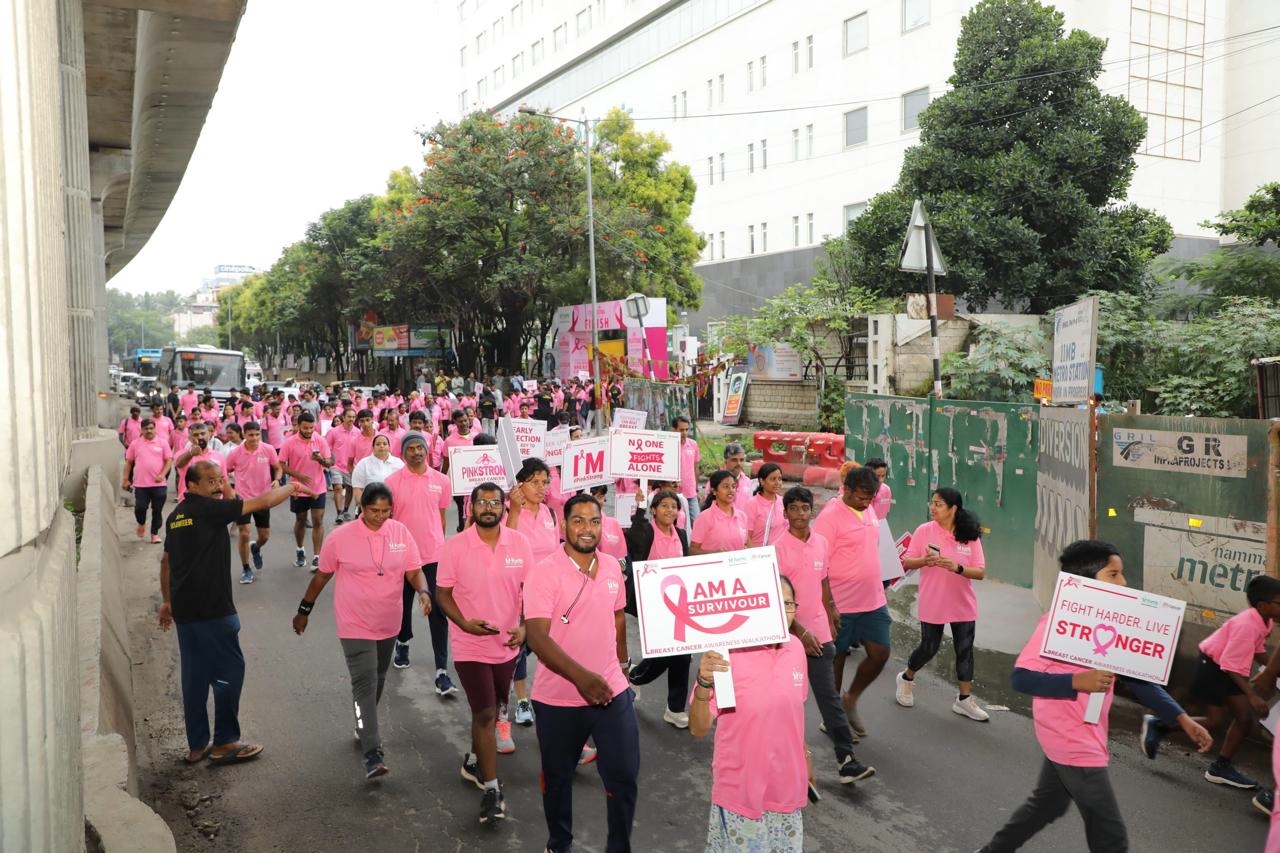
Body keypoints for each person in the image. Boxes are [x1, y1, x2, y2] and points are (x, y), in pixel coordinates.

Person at [977, 540, 1213, 852]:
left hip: (1079, 733)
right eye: (1113, 575)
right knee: (1111, 837)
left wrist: (1182, 719)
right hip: (1070, 737)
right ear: (1085, 582)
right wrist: (1077, 680)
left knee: (1047, 806)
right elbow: (1021, 677)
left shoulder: (1113, 625)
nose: (1124, 582)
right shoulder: (1058, 623)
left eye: (1122, 574)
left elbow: (1138, 680)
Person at [158, 461, 296, 766]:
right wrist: (293, 486)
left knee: (194, 678)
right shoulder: (210, 510)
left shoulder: (176, 516)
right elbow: (262, 502)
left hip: (185, 610)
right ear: (191, 485)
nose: (217, 485)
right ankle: (225, 742)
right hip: (214, 609)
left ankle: (196, 746)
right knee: (228, 674)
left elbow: (166, 561)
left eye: (220, 479)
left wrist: (167, 602)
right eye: (210, 481)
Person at [524, 494, 639, 853]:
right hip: (557, 697)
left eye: (593, 522)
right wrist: (582, 678)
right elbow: (538, 638)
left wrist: (622, 668)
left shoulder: (610, 567)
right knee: (557, 779)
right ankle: (559, 844)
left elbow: (618, 617)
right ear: (563, 526)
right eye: (578, 521)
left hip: (611, 689)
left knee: (623, 775)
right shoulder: (543, 572)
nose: (586, 529)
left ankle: (618, 847)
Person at [292, 483, 429, 781]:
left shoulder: (400, 533)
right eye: (373, 511)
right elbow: (322, 577)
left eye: (385, 511)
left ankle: (363, 723)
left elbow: (413, 570)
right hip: (354, 622)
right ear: (362, 508)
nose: (380, 516)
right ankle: (372, 753)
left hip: (389, 620)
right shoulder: (341, 537)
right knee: (364, 683)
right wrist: (304, 610)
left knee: (378, 677)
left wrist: (423, 591)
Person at [436, 482, 534, 823]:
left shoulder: (520, 543)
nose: (488, 507)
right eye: (482, 502)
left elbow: (531, 592)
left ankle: (474, 761)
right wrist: (463, 623)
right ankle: (492, 788)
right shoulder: (455, 546)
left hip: (507, 646)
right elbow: (443, 594)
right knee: (486, 713)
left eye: (495, 502)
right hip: (469, 644)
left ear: (504, 507)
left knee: (491, 707)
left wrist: (524, 629)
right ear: (471, 508)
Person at [690, 576, 811, 852]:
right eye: (772, 603)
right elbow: (698, 729)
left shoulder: (796, 649)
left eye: (788, 603)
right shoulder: (726, 652)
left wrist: (805, 759)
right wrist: (705, 682)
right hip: (741, 795)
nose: (781, 611)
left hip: (787, 792)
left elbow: (792, 714)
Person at [775, 486, 873, 787]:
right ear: (786, 513)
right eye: (794, 509)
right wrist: (799, 632)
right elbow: (775, 599)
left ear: (811, 511)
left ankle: (846, 760)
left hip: (819, 632)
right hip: (787, 636)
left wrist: (831, 609)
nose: (801, 514)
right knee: (787, 700)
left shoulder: (820, 543)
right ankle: (784, 763)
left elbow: (824, 578)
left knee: (828, 696)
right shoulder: (777, 548)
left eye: (805, 508)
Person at [896, 487, 990, 721]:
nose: (932, 507)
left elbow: (979, 572)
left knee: (965, 650)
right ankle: (906, 677)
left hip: (962, 602)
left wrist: (956, 567)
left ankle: (964, 700)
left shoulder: (969, 534)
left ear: (953, 508)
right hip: (933, 599)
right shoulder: (924, 530)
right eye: (932, 503)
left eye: (938, 504)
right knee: (929, 647)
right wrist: (924, 560)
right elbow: (906, 561)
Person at [811, 465, 886, 738]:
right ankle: (834, 719)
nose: (866, 503)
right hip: (840, 602)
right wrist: (827, 605)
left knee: (880, 654)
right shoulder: (829, 517)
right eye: (861, 497)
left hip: (873, 600)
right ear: (846, 489)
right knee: (837, 659)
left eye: (870, 498)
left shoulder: (869, 510)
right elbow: (818, 563)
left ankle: (850, 699)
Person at [1190, 574, 1280, 790]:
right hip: (1214, 666)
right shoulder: (1247, 625)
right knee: (1214, 721)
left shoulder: (1264, 621)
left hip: (1227, 668)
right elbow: (1229, 665)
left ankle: (1220, 767)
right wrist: (1252, 695)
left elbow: (1258, 651)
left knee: (1244, 718)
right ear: (1263, 605)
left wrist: (1274, 670)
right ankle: (1161, 724)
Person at [384, 432, 457, 696]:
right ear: (403, 453)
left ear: (427, 450)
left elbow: (441, 518)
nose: (416, 452)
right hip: (402, 557)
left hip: (433, 556)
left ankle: (441, 672)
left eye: (420, 447)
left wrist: (439, 547)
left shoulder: (441, 481)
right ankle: (402, 641)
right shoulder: (391, 482)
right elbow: (388, 522)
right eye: (411, 448)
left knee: (439, 611)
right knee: (401, 608)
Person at [624, 487, 693, 728]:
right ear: (654, 510)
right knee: (667, 653)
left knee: (683, 656)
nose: (669, 510)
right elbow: (634, 536)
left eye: (673, 506)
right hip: (651, 601)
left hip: (678, 604)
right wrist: (640, 509)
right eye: (663, 505)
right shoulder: (646, 532)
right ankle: (634, 676)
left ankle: (675, 708)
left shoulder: (682, 535)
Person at [506, 457, 560, 730]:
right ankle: (521, 700)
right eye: (534, 482)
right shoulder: (509, 513)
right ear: (520, 484)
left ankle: (554, 699)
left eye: (545, 482)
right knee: (519, 648)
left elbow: (557, 552)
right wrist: (514, 511)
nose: (541, 488)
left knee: (549, 647)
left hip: (549, 595)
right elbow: (506, 548)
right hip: (518, 595)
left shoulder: (551, 514)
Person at [224, 423, 281, 584]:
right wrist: (231, 490)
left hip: (263, 498)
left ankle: (256, 548)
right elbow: (223, 472)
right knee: (245, 533)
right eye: (251, 435)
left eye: (257, 434)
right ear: (244, 434)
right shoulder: (235, 453)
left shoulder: (268, 449)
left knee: (264, 536)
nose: (255, 438)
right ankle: (246, 569)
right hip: (243, 499)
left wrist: (276, 480)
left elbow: (278, 467)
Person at [278, 411, 333, 572]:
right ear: (298, 426)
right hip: (298, 489)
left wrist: (321, 460)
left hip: (318, 487)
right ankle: (300, 549)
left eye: (311, 427)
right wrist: (297, 475)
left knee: (318, 521)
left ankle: (317, 557)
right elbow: (281, 464)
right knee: (301, 520)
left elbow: (329, 462)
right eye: (305, 428)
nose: (309, 431)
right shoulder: (289, 442)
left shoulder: (320, 440)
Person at [123, 418, 173, 544]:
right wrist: (125, 479)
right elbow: (129, 462)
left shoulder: (163, 443)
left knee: (157, 510)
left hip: (159, 484)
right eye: (146, 429)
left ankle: (154, 534)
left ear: (155, 429)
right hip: (140, 484)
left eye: (151, 428)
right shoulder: (135, 444)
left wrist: (162, 475)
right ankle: (141, 523)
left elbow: (168, 461)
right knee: (140, 508)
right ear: (142, 429)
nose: (149, 431)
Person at [690, 470, 748, 556]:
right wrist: (714, 554)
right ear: (714, 491)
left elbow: (744, 544)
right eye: (726, 486)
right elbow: (692, 550)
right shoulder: (704, 517)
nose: (731, 490)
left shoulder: (742, 516)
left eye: (733, 486)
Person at [350, 434, 405, 508]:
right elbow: (358, 490)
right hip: (370, 508)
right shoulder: (363, 464)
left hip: (395, 507)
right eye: (378, 444)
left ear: (389, 447)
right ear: (372, 448)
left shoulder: (399, 463)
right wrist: (365, 506)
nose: (381, 446)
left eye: (385, 444)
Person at [328, 407, 358, 524]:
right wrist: (330, 460)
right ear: (343, 417)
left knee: (350, 488)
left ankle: (346, 510)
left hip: (351, 466)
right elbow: (327, 447)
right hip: (336, 466)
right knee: (338, 487)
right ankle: (339, 512)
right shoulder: (334, 432)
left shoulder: (357, 432)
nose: (351, 419)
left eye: (353, 417)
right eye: (349, 417)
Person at [745, 462, 786, 547]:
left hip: (780, 554)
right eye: (772, 479)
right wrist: (756, 556)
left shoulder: (783, 502)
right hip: (759, 555)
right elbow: (747, 537)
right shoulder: (752, 504)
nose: (777, 482)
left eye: (779, 479)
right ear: (762, 481)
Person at [673, 415, 700, 533]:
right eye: (681, 430)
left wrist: (696, 489)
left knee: (697, 523)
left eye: (686, 429)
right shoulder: (668, 445)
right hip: (674, 494)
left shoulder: (693, 444)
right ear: (674, 430)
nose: (684, 433)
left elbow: (695, 468)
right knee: (678, 525)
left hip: (690, 493)